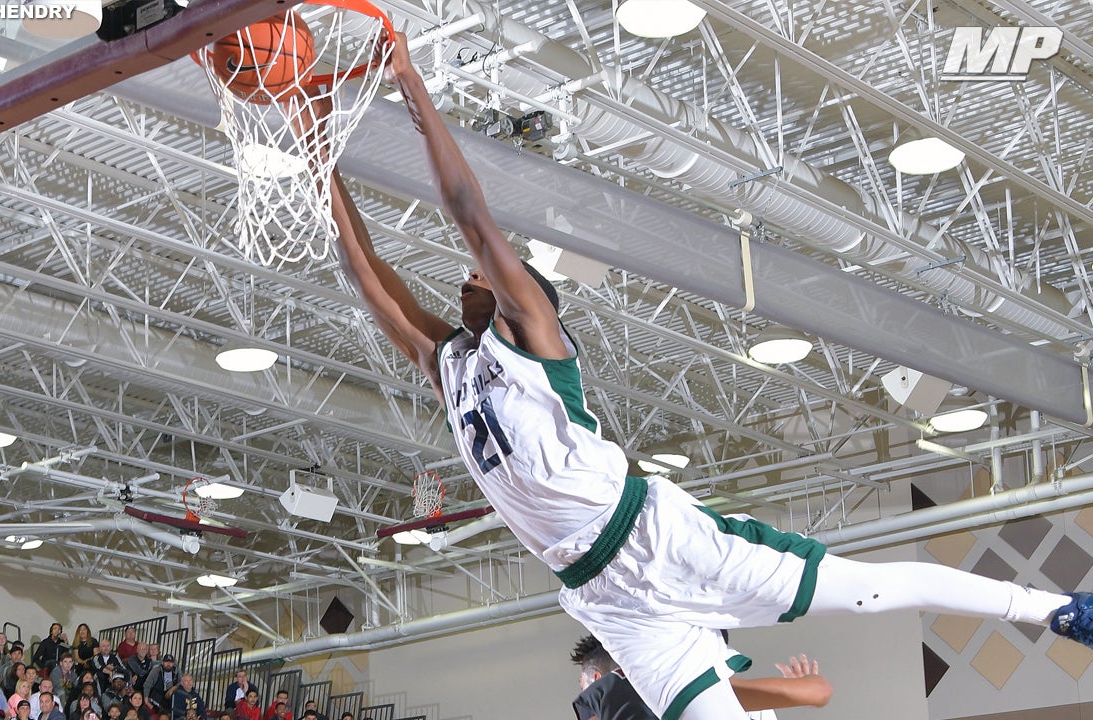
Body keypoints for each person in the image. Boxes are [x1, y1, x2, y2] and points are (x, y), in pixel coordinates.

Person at [314, 31, 1093, 720]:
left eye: (484, 273)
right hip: (604, 598)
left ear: (523, 299)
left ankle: (1055, 609)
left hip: (656, 537)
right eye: (473, 274)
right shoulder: (448, 363)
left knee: (871, 591)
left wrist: (409, 82)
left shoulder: (532, 337)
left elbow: (467, 211)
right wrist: (317, 150)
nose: (469, 274)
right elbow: (365, 274)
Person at [570, 634, 831, 720]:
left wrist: (800, 691)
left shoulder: (609, 692)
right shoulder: (712, 689)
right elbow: (820, 692)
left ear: (596, 677)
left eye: (584, 685)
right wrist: (800, 690)